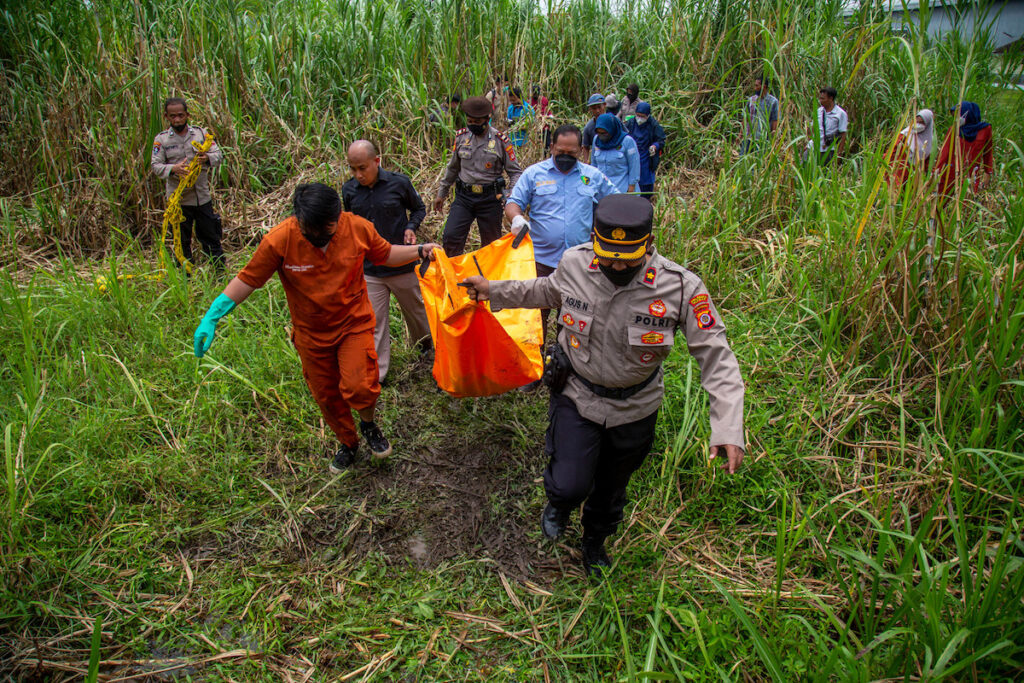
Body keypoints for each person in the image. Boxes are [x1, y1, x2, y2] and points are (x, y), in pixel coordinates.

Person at [461, 194, 745, 577]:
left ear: (647, 245)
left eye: (624, 258)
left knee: (611, 489)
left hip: (635, 409)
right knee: (568, 483)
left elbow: (717, 356)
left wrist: (727, 427)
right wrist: (493, 289)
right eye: (606, 253)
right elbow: (547, 291)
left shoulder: (681, 288)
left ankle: (594, 541)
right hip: (577, 396)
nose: (612, 264)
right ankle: (559, 505)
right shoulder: (576, 261)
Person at [192, 183, 440, 473]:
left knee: (360, 385)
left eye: (331, 226)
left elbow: (384, 254)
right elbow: (248, 279)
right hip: (311, 334)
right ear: (301, 221)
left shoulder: (357, 228)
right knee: (327, 395)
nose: (326, 234)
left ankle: (369, 425)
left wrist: (420, 250)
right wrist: (213, 315)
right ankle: (348, 442)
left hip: (353, 324)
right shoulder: (280, 240)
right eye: (318, 229)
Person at [342, 140, 431, 385]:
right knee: (375, 321)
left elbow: (419, 209)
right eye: (353, 169)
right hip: (370, 269)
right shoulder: (349, 190)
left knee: (417, 313)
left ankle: (428, 349)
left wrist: (411, 227)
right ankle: (378, 375)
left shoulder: (399, 183)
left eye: (362, 168)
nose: (358, 175)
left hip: (402, 264)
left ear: (376, 161)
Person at [433, 96, 523, 257]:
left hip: (490, 199)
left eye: (477, 121)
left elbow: (515, 172)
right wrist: (442, 193)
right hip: (464, 197)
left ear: (487, 119)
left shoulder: (500, 141)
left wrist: (510, 193)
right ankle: (454, 276)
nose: (473, 125)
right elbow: (452, 168)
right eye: (470, 121)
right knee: (451, 237)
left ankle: (486, 280)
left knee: (491, 244)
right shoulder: (461, 138)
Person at [150, 97, 225, 270]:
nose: (177, 119)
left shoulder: (201, 135)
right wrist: (173, 168)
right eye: (173, 116)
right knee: (181, 242)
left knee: (211, 236)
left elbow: (218, 155)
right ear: (166, 117)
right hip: (179, 201)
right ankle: (186, 278)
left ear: (187, 115)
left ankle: (219, 273)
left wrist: (206, 158)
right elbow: (156, 165)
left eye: (180, 115)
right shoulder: (161, 140)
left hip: (201, 198)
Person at [933, 101, 994, 197]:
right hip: (951, 171)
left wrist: (988, 172)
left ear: (968, 114)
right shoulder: (954, 130)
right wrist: (936, 173)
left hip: (971, 173)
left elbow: (988, 152)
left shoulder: (985, 130)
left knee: (966, 201)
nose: (957, 120)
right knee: (942, 201)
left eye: (958, 116)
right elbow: (944, 153)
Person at [590, 113, 640, 194]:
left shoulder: (627, 141)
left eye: (604, 133)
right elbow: (594, 164)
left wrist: (631, 189)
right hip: (602, 190)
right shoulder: (596, 140)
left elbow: (634, 166)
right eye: (599, 133)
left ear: (612, 129)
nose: (602, 136)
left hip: (622, 189)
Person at [625, 102, 666, 200]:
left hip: (646, 158)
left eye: (642, 116)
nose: (639, 119)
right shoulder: (630, 123)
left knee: (645, 184)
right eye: (638, 115)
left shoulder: (653, 125)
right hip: (632, 156)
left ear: (647, 116)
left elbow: (661, 140)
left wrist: (654, 146)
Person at [886, 109, 933, 191]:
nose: (918, 125)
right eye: (917, 122)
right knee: (894, 191)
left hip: (914, 174)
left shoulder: (929, 141)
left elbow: (928, 162)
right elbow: (892, 150)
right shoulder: (905, 134)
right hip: (899, 169)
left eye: (921, 123)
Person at [739, 74, 779, 156]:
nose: (755, 88)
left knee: (759, 161)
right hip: (748, 137)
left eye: (757, 86)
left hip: (763, 139)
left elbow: (775, 120)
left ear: (763, 86)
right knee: (742, 159)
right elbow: (745, 118)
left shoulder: (773, 102)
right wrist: (740, 135)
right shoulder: (751, 100)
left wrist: (773, 139)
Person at [810, 86, 847, 166]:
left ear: (831, 98)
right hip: (815, 148)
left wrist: (838, 156)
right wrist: (809, 143)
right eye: (820, 98)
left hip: (829, 150)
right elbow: (812, 128)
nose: (820, 101)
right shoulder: (818, 111)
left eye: (823, 99)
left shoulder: (840, 114)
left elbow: (843, 135)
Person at [581, 93, 606, 163]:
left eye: (599, 107)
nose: (597, 111)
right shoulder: (588, 128)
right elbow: (586, 147)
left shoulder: (614, 122)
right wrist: (586, 162)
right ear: (590, 109)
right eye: (594, 108)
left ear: (604, 105)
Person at [530, 85, 554, 152]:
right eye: (534, 94)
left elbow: (548, 111)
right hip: (535, 127)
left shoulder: (544, 100)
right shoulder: (529, 102)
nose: (535, 95)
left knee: (546, 145)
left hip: (545, 126)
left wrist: (550, 117)